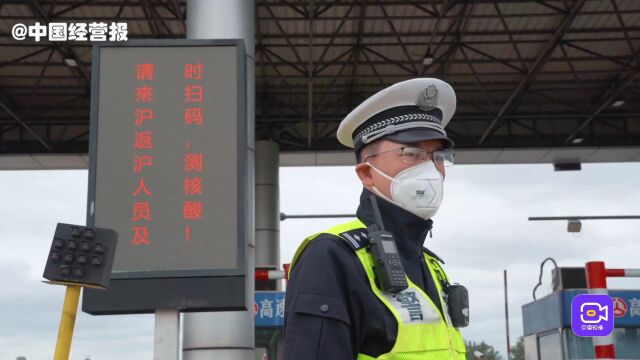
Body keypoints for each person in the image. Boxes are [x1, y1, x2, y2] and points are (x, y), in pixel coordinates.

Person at [283, 78, 468, 359]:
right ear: (366, 173)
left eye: (439, 156)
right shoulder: (332, 255)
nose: (431, 168)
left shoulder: (432, 265)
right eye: (411, 153)